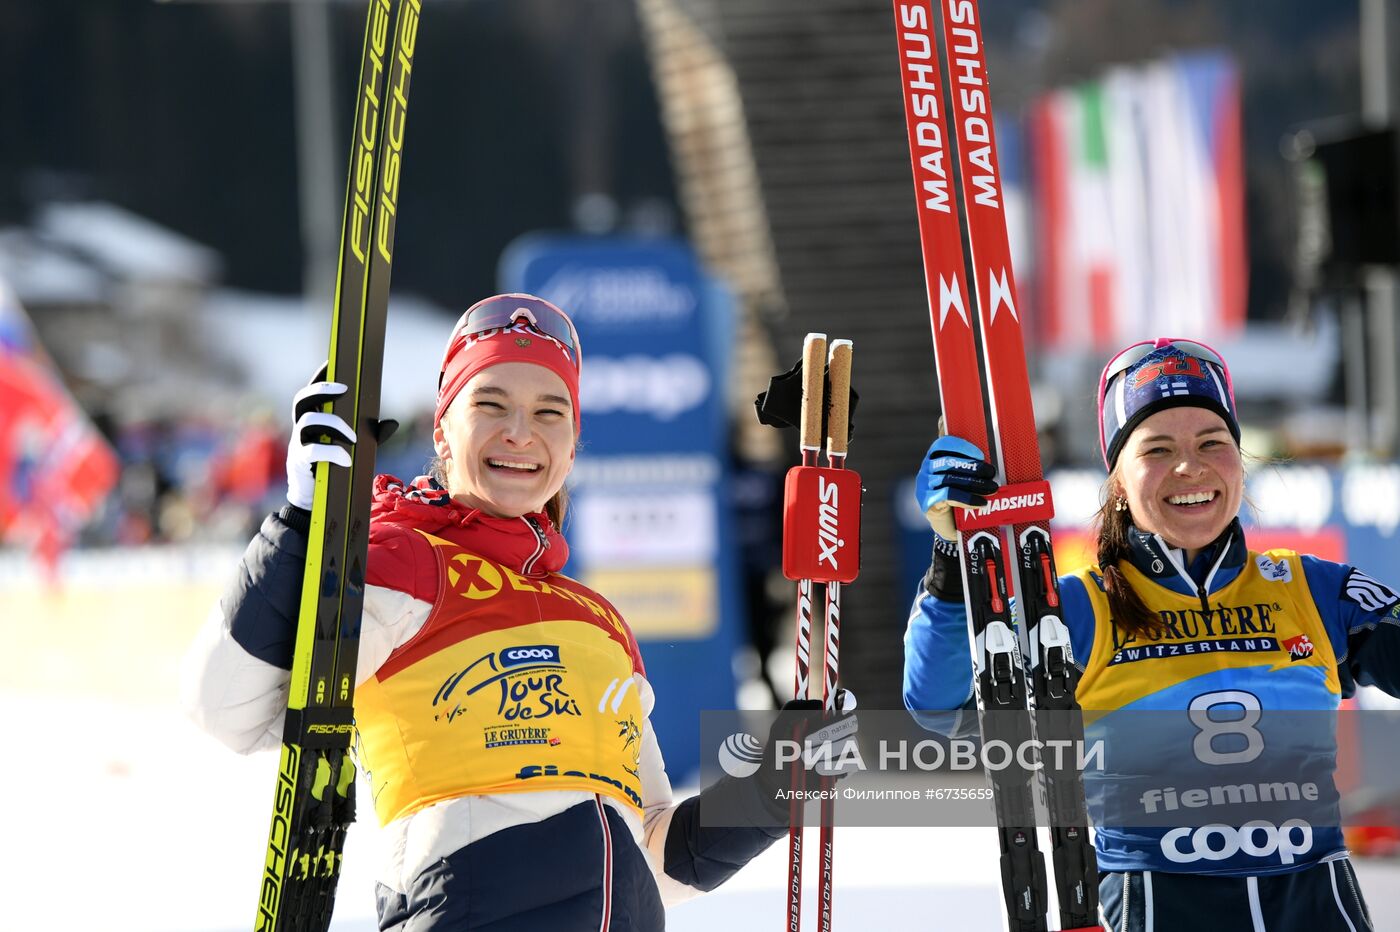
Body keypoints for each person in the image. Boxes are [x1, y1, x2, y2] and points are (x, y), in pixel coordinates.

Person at [182, 293, 850, 931]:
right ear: (443, 432)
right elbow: (227, 708)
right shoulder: (397, 561)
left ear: (572, 444)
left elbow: (657, 852)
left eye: (549, 412)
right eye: (491, 404)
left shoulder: (596, 621)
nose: (520, 433)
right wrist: (300, 522)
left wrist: (773, 788)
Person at [903, 338, 1398, 931]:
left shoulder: (1313, 589)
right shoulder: (1077, 608)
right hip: (1157, 903)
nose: (1190, 467)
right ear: (1116, 478)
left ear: (1240, 459)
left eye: (1212, 442)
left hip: (1316, 900)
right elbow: (943, 708)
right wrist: (951, 559)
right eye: (1157, 449)